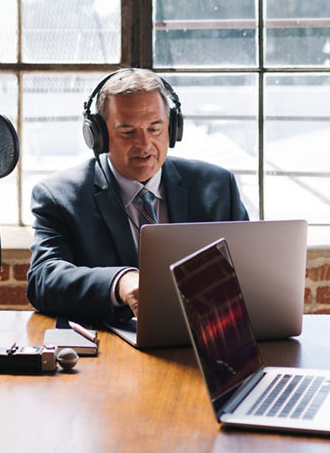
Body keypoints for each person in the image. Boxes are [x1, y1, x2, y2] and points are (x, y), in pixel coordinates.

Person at [25, 68, 249, 326]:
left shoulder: (218, 187)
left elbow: (247, 272)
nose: (143, 144)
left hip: (206, 338)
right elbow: (43, 279)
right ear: (99, 136)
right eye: (128, 132)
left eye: (155, 129)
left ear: (173, 129)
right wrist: (120, 283)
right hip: (109, 350)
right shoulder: (59, 196)